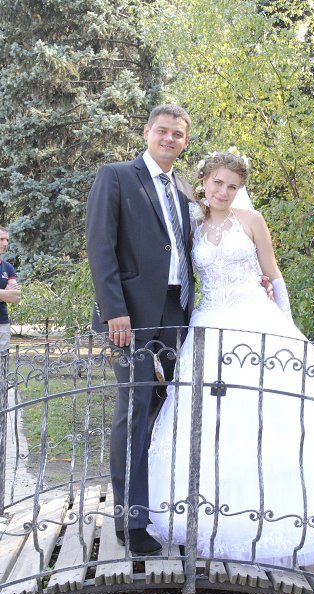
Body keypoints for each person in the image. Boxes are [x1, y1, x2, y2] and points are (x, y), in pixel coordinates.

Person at [148, 152, 314, 567]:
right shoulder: (191, 224)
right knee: (212, 423)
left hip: (256, 322)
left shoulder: (252, 221)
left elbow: (274, 274)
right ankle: (214, 519)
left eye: (232, 186)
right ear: (204, 181)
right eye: (217, 183)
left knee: (272, 420)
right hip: (209, 326)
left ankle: (282, 524)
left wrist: (288, 330)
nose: (224, 192)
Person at [86, 104, 195, 556]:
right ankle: (130, 522)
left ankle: (165, 507)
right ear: (147, 131)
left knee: (167, 412)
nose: (169, 139)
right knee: (135, 410)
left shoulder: (183, 189)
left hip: (178, 311)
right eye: (162, 131)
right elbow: (100, 245)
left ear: (185, 141)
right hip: (131, 315)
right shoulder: (116, 176)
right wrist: (115, 310)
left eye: (178, 134)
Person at [0, 226, 21, 354]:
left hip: (2, 323)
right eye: (1, 239)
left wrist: (10, 295)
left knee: (3, 363)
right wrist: (5, 293)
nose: (5, 243)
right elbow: (10, 295)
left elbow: (16, 297)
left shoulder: (8, 267)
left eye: (7, 240)